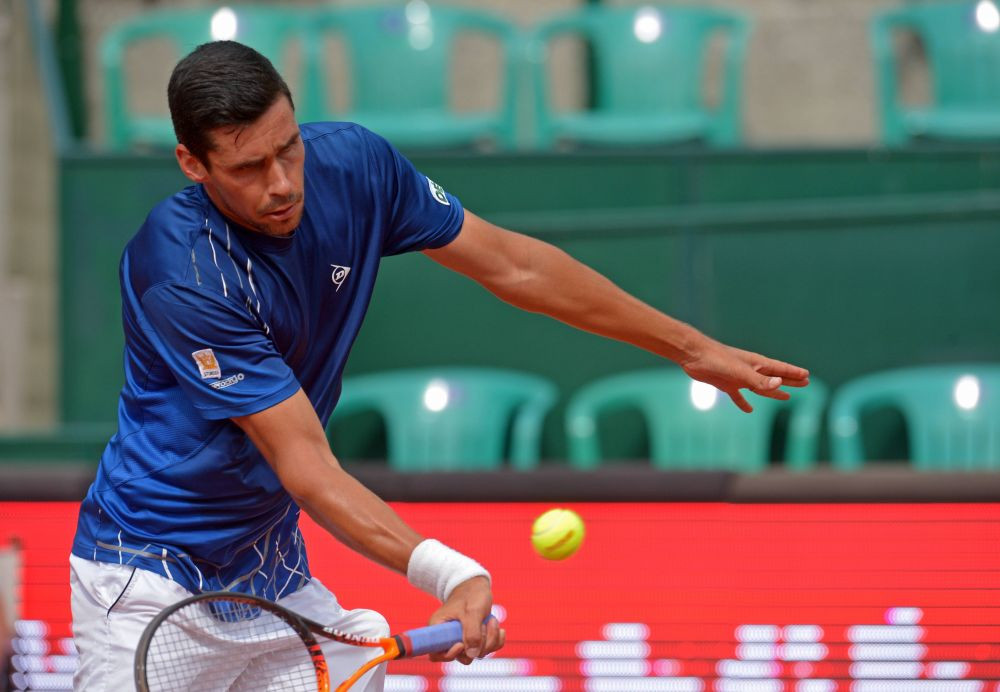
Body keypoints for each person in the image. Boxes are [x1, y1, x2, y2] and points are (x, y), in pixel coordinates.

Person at [69, 41, 809, 691]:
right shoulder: (184, 274)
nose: (283, 181)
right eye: (249, 166)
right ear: (192, 164)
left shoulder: (354, 166)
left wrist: (690, 347)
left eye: (288, 147)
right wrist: (449, 574)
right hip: (148, 579)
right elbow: (306, 464)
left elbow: (515, 267)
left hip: (269, 568)